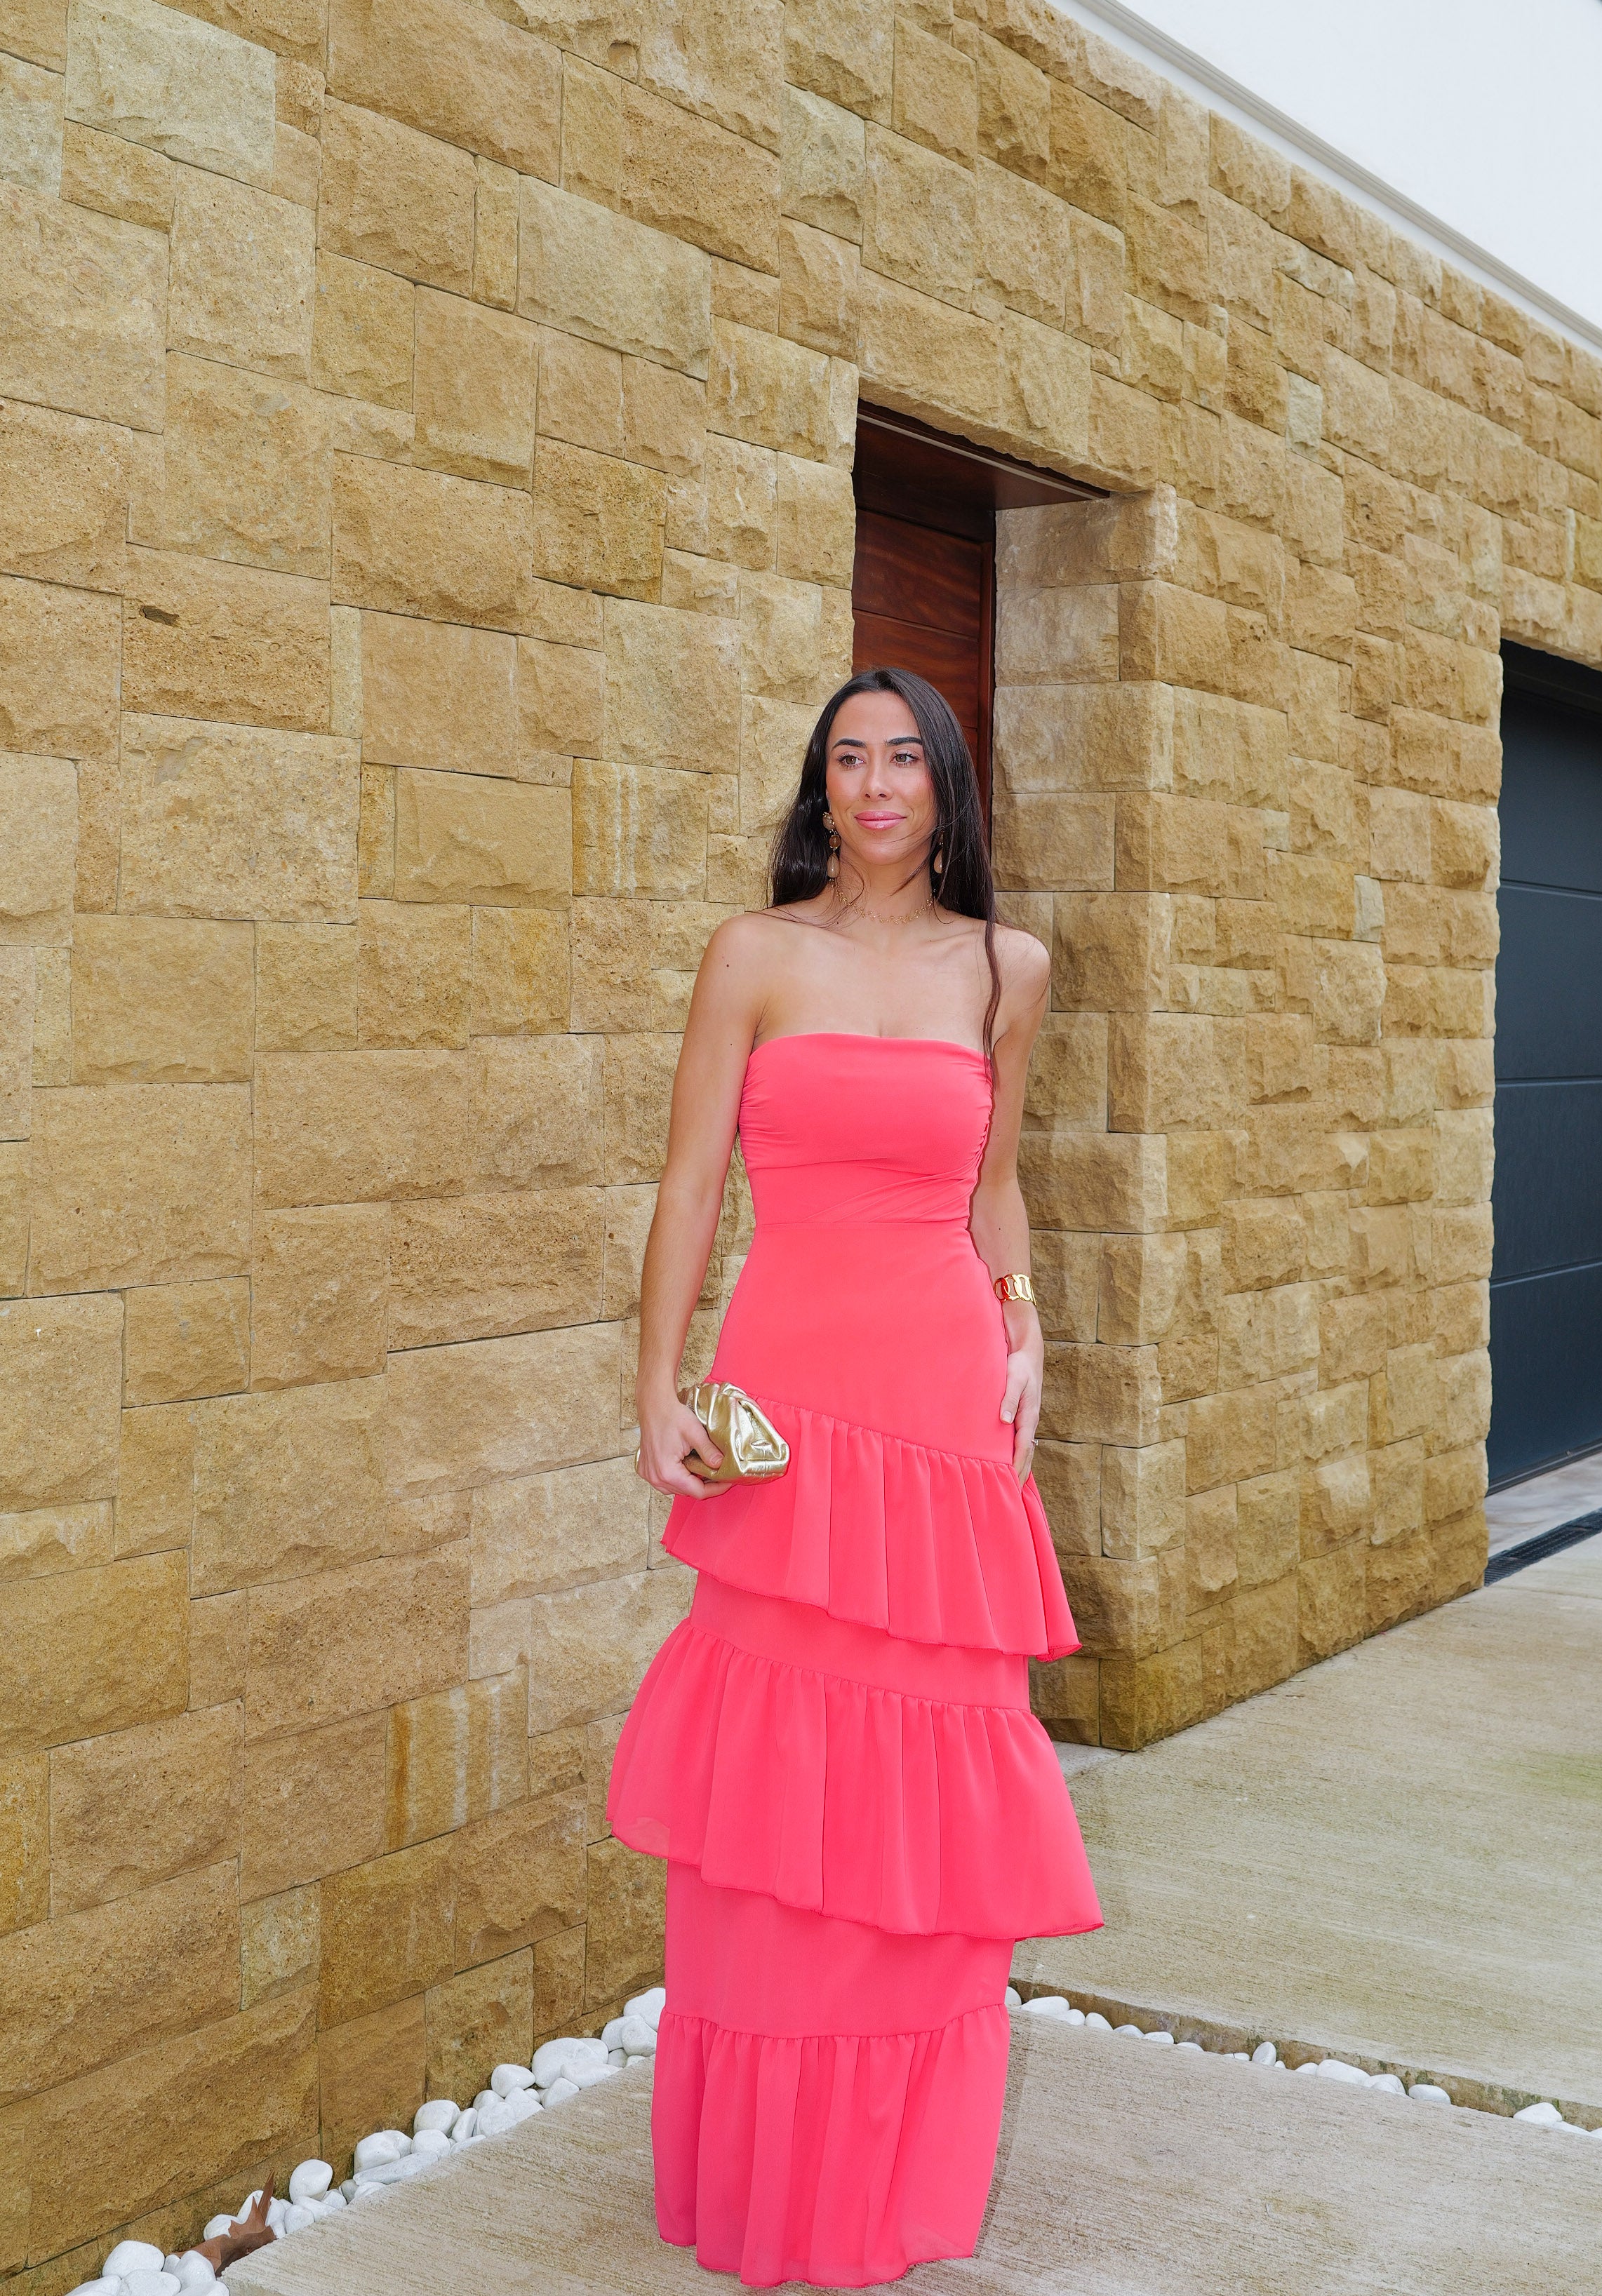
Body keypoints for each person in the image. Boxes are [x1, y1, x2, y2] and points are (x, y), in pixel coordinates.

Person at [607, 666, 1102, 2288]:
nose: (877, 782)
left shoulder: (1007, 966)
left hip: (945, 1398)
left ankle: (891, 2170)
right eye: (848, 758)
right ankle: (767, 2165)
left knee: (929, 1762)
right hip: (788, 1393)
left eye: (904, 756)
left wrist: (1027, 1323)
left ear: (945, 782)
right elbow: (691, 1183)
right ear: (819, 786)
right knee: (774, 1759)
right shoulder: (753, 954)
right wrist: (655, 1382)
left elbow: (991, 1182)